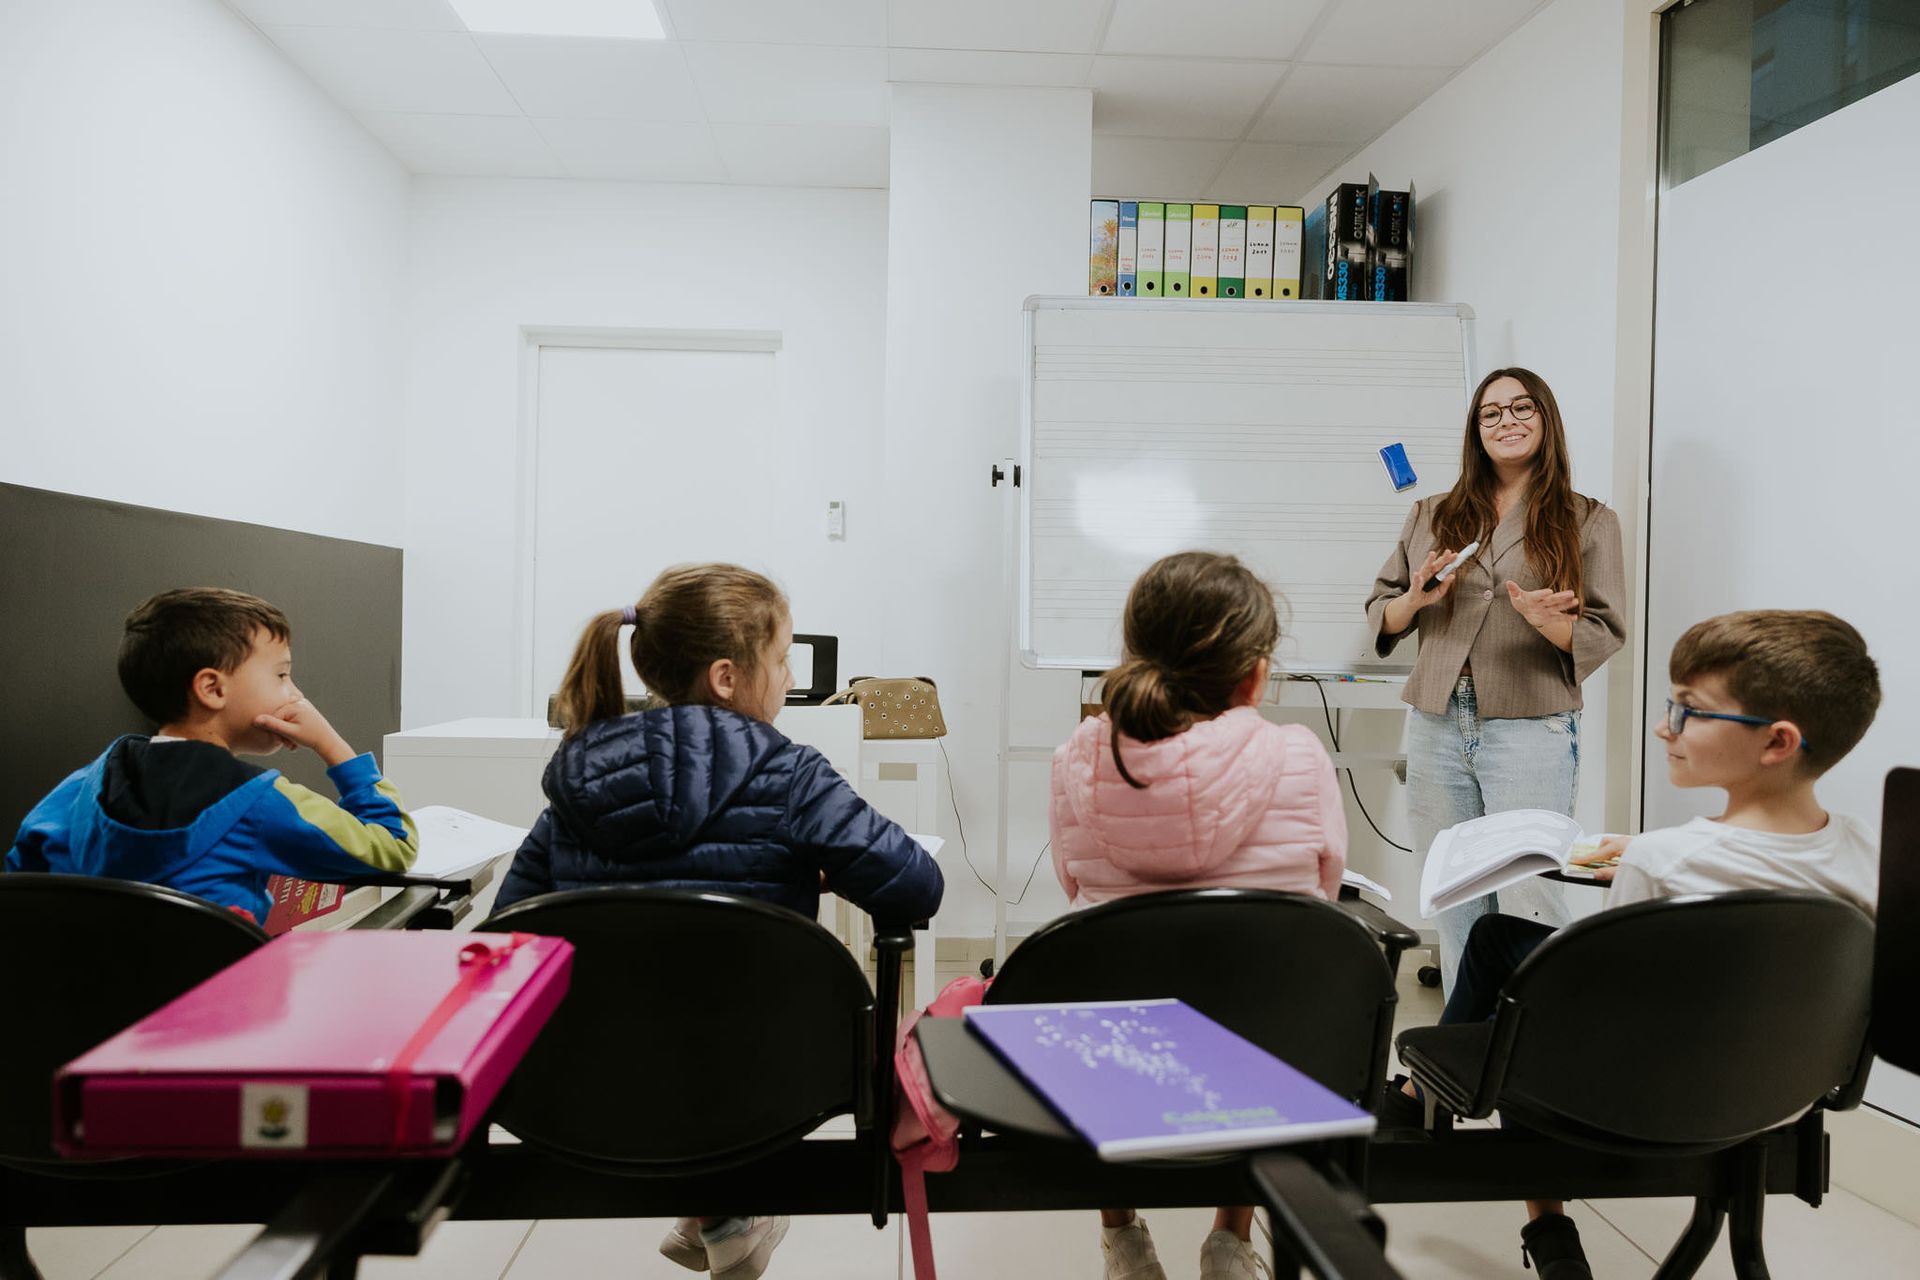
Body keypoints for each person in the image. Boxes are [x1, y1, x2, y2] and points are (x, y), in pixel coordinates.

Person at [1386, 609, 1881, 1280]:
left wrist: (1647, 858)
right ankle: (1422, 1099)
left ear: (1776, 742)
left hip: (1635, 1096)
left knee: (1516, 985)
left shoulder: (1666, 860)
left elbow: (1595, 1008)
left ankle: (1540, 1215)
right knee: (1505, 937)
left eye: (1690, 712)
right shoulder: (1860, 851)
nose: (1663, 728)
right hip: (1774, 1089)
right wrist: (1644, 855)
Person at [494, 562, 943, 1280]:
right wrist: (814, 870)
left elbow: (506, 930)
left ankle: (721, 1208)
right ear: (728, 677)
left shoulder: (576, 781)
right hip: (771, 1086)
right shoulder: (793, 776)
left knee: (672, 1030)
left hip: (597, 1087)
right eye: (781, 658)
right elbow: (918, 888)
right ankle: (731, 1206)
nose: (791, 677)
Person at [1051, 550, 1346, 1280]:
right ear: (1255, 673)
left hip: (1116, 1073)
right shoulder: (1302, 759)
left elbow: (1072, 895)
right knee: (1265, 985)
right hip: (1263, 1071)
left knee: (1112, 966)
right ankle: (1231, 1241)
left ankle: (1122, 1237)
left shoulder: (1077, 762)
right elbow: (1324, 896)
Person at [1365, 367, 1627, 992]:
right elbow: (1383, 609)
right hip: (1436, 722)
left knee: (1530, 894)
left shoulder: (1589, 520)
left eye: (1521, 408)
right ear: (1476, 432)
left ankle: (1535, 1054)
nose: (1506, 421)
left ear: (1547, 421)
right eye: (1491, 413)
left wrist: (1548, 623)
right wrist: (1418, 601)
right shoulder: (1433, 512)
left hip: (1531, 723)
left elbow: (1607, 628)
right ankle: (1461, 1059)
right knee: (1453, 893)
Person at [5, 587, 417, 921]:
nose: (296, 694)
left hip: (93, 1015)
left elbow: (20, 885)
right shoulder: (259, 801)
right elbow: (392, 846)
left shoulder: (80, 788)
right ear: (213, 689)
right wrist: (332, 745)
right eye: (282, 675)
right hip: (219, 1014)